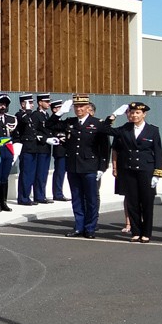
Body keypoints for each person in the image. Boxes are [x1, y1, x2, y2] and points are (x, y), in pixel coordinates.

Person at [100, 102, 162, 242]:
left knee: (146, 202)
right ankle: (136, 231)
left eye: (137, 113)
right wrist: (113, 116)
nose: (134, 115)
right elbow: (104, 130)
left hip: (146, 170)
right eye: (132, 112)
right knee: (132, 202)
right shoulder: (125, 128)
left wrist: (157, 173)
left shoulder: (152, 130)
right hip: (129, 170)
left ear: (144, 114)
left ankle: (146, 232)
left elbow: (158, 152)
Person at [57, 96, 109, 238]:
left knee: (91, 199)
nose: (79, 109)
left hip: (90, 166)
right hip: (73, 166)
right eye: (76, 107)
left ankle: (90, 228)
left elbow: (105, 147)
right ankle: (79, 226)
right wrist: (60, 112)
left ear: (88, 108)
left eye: (82, 106)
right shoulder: (70, 122)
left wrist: (102, 167)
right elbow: (50, 125)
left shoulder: (97, 123)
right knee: (77, 198)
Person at [14, 93, 52, 205]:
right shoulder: (20, 114)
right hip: (26, 148)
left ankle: (32, 196)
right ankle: (23, 198)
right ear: (23, 104)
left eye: (31, 103)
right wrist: (26, 110)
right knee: (26, 174)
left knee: (32, 174)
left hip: (34, 148)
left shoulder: (32, 115)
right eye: (29, 103)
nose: (31, 105)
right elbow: (25, 121)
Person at [48, 98, 72, 200]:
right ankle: (57, 194)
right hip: (60, 151)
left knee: (65, 173)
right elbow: (51, 124)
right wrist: (60, 113)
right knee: (59, 172)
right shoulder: (53, 122)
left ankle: (60, 193)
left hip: (68, 150)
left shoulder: (63, 122)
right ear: (54, 110)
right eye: (59, 108)